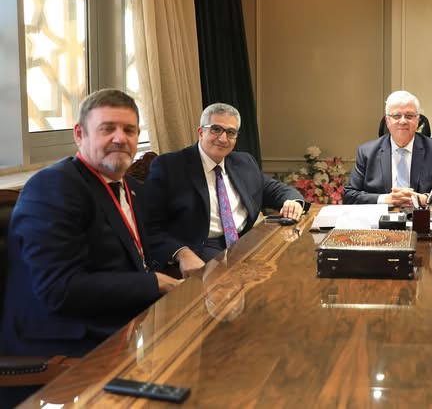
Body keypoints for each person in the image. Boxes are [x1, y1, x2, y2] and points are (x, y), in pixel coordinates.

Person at [1, 89, 202, 360]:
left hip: (125, 324)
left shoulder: (131, 187)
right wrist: (155, 283)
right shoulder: (53, 187)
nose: (120, 138)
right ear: (79, 134)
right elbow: (60, 289)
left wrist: (182, 253)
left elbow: (141, 244)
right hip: (65, 346)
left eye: (129, 130)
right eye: (107, 129)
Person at [144, 103, 306, 262]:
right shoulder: (169, 166)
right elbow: (151, 226)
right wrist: (181, 253)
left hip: (246, 239)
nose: (223, 139)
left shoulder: (244, 162)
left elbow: (275, 189)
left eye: (230, 132)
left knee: (293, 261)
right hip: (200, 247)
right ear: (201, 132)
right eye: (216, 129)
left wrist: (293, 202)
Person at [344, 91, 432, 206]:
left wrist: (424, 199)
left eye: (409, 116)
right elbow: (349, 195)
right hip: (382, 217)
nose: (403, 121)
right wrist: (385, 199)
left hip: (421, 216)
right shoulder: (367, 152)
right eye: (396, 116)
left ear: (417, 120)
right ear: (387, 121)